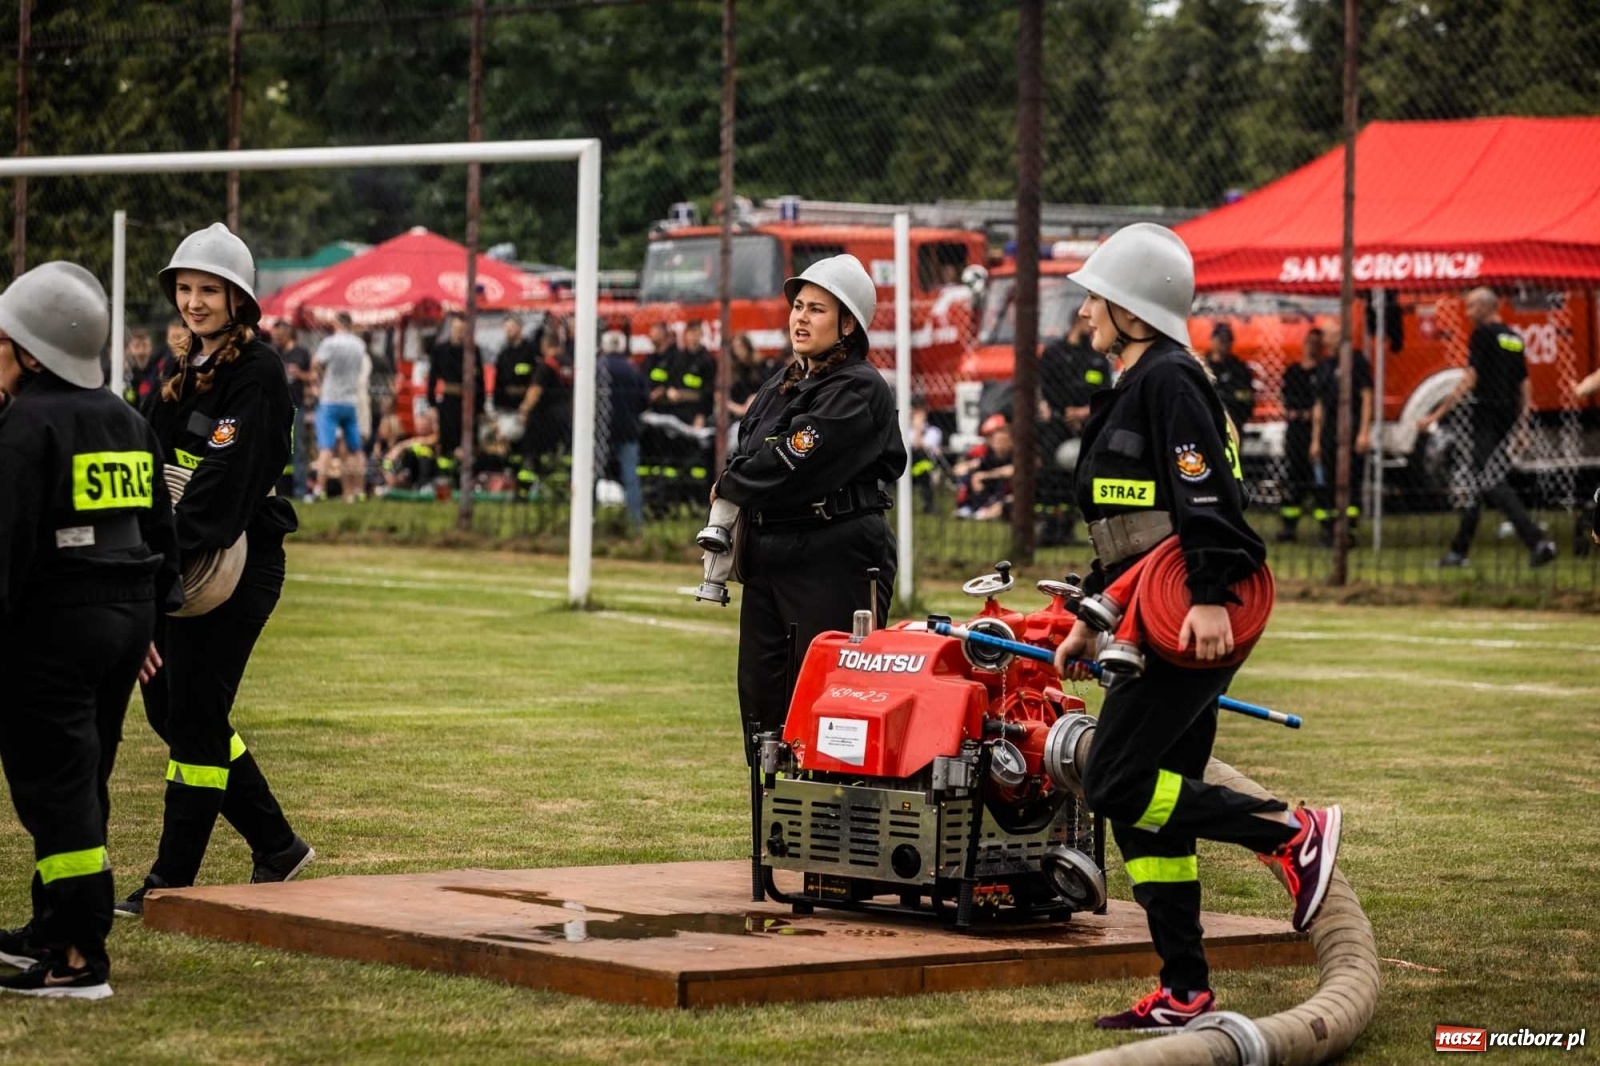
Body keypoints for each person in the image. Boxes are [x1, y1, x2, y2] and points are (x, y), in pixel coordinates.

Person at [1050, 223, 1342, 1032]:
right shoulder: (1140, 380)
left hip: (1185, 612)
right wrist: (1091, 615)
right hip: (1146, 607)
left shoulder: (1171, 379)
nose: (1085, 313)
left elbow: (1206, 498)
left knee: (1114, 783)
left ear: (1132, 308)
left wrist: (1209, 595)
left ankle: (1288, 831)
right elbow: (1131, 526)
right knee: (1144, 807)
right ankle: (1185, 991)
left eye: (1096, 298)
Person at [116, 223, 313, 919]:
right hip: (176, 560)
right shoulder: (181, 369)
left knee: (196, 716)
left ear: (239, 300)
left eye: (209, 290)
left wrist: (155, 564)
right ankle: (278, 845)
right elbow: (149, 464)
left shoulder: (258, 373)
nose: (194, 302)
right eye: (185, 289)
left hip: (235, 565)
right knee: (169, 709)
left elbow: (221, 488)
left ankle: (170, 881)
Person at [0, 263, 182, 999]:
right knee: (82, 778)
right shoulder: (127, 419)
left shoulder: (24, 428)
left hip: (52, 628)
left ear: (32, 352)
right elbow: (160, 532)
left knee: (56, 787)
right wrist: (146, 624)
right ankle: (53, 928)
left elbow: (7, 545)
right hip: (124, 624)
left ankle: (77, 959)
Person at [714, 254, 905, 767]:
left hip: (833, 552)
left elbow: (789, 460)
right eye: (797, 306)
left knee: (832, 701)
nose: (800, 318)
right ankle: (774, 810)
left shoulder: (858, 387)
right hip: (770, 553)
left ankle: (835, 812)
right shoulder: (781, 384)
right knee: (761, 704)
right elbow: (747, 451)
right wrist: (740, 478)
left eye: (816, 309)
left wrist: (732, 484)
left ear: (848, 324)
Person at [1419, 287, 1556, 569]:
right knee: (1478, 481)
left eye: (1471, 307)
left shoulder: (1482, 334)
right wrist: (1523, 425)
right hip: (1506, 416)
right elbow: (1524, 383)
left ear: (1485, 307)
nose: (1468, 312)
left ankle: (1537, 541)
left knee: (1490, 479)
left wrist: (1436, 414)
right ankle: (1459, 551)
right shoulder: (1513, 338)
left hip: (1485, 415)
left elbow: (1471, 378)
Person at [1038, 313, 1112, 545]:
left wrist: (1083, 413)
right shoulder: (1054, 354)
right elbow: (1043, 389)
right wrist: (1056, 411)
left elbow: (1105, 394)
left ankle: (1068, 527)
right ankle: (1048, 527)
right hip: (1055, 424)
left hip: (1087, 424)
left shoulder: (1096, 358)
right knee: (1050, 473)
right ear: (1077, 323)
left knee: (1078, 475)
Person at [1310, 339, 1373, 547]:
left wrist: (1364, 432)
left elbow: (1366, 396)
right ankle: (1330, 530)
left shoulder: (1357, 362)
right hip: (1329, 432)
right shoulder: (1325, 367)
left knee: (1352, 481)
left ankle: (1349, 530)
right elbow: (1319, 405)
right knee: (1328, 481)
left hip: (1352, 428)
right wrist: (1315, 440)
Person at [308, 313, 366, 503]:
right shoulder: (359, 344)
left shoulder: (330, 343)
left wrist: (319, 380)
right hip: (350, 400)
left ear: (336, 323)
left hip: (330, 399)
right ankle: (359, 491)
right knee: (355, 449)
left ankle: (319, 490)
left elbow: (316, 363)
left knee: (326, 448)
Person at [1274, 328, 1323, 543]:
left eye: (1317, 343)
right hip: (1296, 433)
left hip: (1316, 432)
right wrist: (1296, 413)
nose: (1312, 347)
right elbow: (1285, 398)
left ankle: (1327, 528)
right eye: (1310, 342)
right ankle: (1289, 527)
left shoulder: (1323, 372)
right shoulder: (1293, 371)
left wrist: (1309, 414)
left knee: (1319, 482)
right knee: (1293, 480)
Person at [599, 330, 648, 529]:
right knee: (630, 477)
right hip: (628, 428)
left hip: (602, 430)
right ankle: (635, 522)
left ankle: (587, 518)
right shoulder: (632, 369)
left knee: (593, 474)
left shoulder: (599, 368)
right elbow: (644, 399)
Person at [427, 312, 484, 478]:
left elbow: (480, 380)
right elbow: (432, 378)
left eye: (462, 329)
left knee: (467, 441)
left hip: (468, 402)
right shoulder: (440, 350)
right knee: (447, 440)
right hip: (448, 402)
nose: (459, 333)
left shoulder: (473, 351)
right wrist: (432, 404)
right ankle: (446, 476)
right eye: (457, 329)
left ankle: (466, 476)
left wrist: (480, 406)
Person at [268, 320, 313, 499]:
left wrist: (299, 374)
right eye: (274, 337)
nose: (276, 340)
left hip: (296, 406)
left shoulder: (301, 352)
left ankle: (300, 490)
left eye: (279, 337)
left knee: (298, 448)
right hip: (274, 407)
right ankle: (273, 490)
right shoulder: (271, 351)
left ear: (288, 334)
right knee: (273, 448)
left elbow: (312, 376)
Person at [952, 414, 1015, 521]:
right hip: (990, 489)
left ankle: (987, 510)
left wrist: (985, 475)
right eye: (989, 437)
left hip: (1010, 492)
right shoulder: (985, 452)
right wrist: (971, 468)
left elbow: (1012, 470)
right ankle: (969, 507)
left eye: (993, 436)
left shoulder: (1017, 451)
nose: (991, 441)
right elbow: (961, 468)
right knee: (969, 477)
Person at [1203, 321, 1256, 430]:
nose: (1224, 344)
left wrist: (1229, 397)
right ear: (1213, 341)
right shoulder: (1202, 365)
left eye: (1227, 340)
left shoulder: (1238, 368)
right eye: (1221, 340)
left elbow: (1247, 395)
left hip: (1233, 416)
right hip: (1208, 417)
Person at [122, 327, 168, 412]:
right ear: (130, 349)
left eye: (144, 345)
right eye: (137, 346)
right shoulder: (126, 375)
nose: (141, 351)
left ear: (150, 348)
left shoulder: (158, 372)